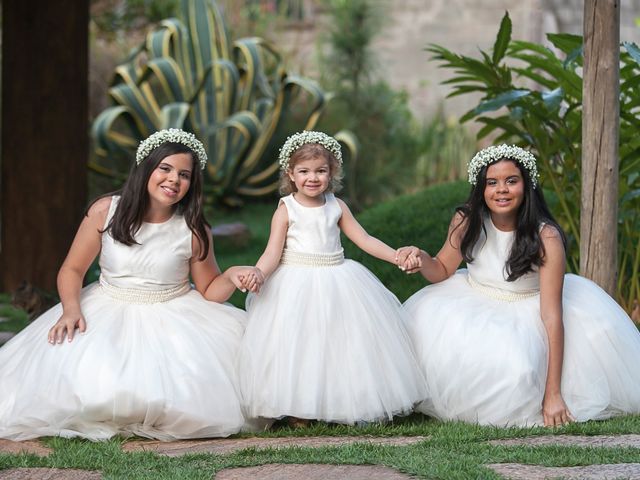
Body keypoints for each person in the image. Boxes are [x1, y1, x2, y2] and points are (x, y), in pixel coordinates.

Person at [0, 128, 260, 441]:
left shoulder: (193, 227)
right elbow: (72, 268)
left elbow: (209, 290)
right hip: (109, 304)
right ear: (146, 168)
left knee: (186, 394)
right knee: (86, 381)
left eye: (184, 174)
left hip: (174, 311)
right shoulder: (105, 211)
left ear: (193, 183)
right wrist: (70, 309)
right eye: (165, 168)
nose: (173, 180)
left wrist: (230, 275)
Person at [398, 144, 640, 427]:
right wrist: (421, 258)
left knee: (516, 371)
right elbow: (440, 269)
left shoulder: (545, 237)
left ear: (527, 186)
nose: (501, 189)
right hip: (473, 299)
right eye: (492, 182)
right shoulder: (466, 221)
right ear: (481, 188)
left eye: (511, 181)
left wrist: (553, 394)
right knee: (421, 334)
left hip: (528, 309)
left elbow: (551, 315)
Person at [237, 131, 426, 427]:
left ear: (332, 172)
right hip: (295, 283)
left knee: (341, 345)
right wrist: (259, 272)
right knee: (300, 345)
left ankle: (341, 401)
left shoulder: (336, 206)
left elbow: (364, 239)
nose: (313, 178)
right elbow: (272, 252)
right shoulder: (287, 209)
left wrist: (395, 256)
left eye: (321, 171)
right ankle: (299, 407)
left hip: (338, 279)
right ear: (290, 173)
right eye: (304, 171)